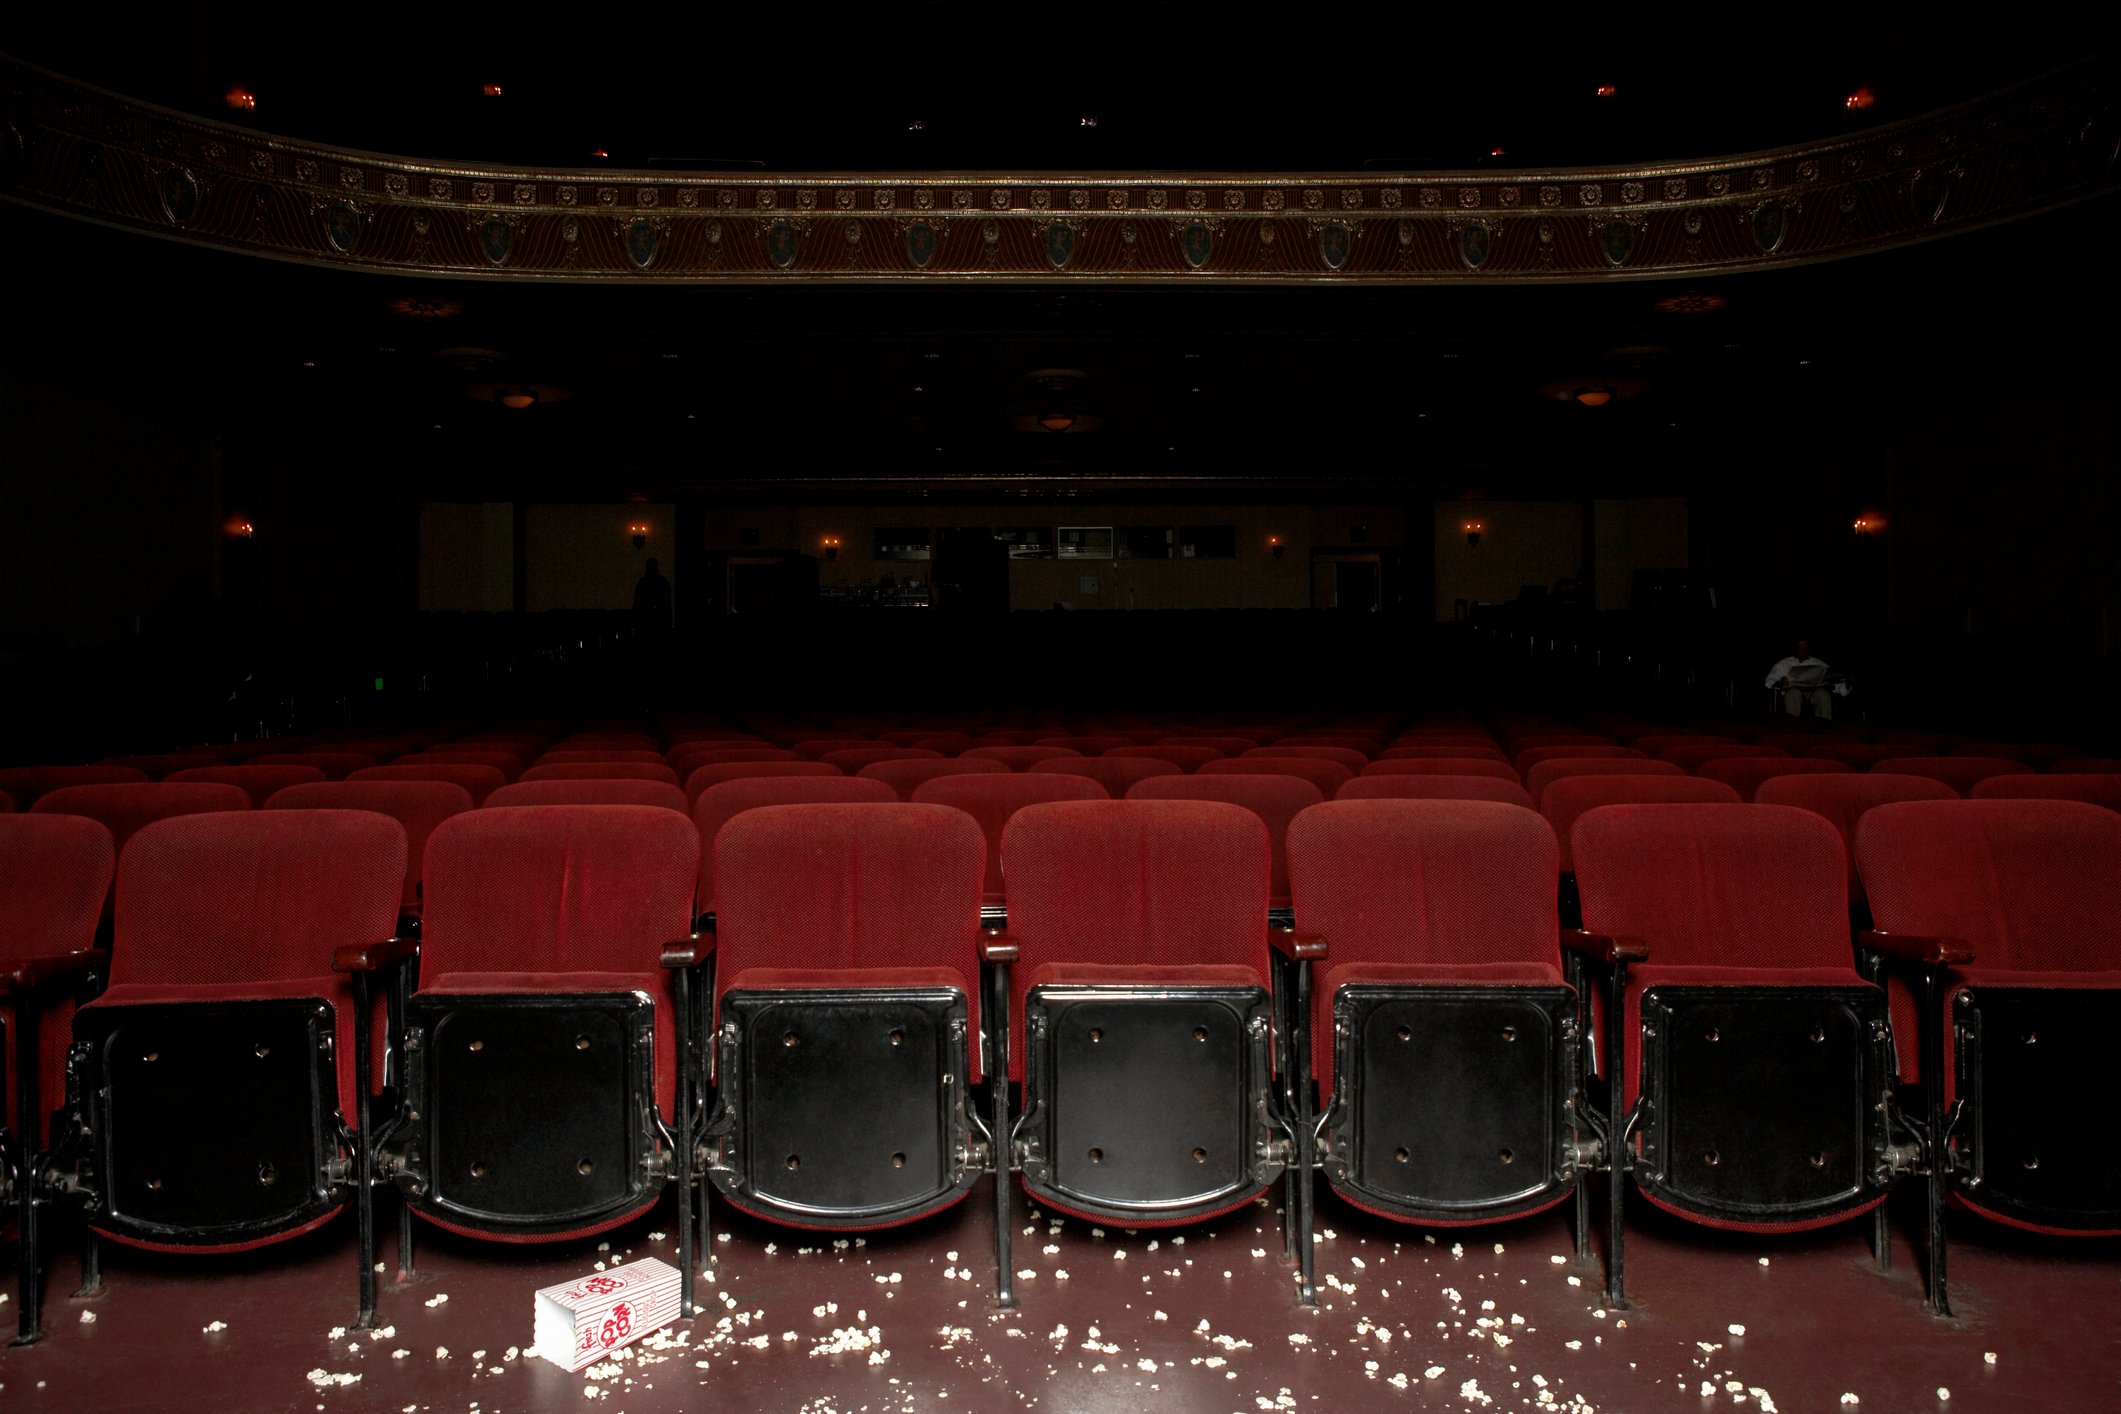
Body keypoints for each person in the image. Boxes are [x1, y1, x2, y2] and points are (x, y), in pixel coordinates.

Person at [1765, 638, 1836, 719]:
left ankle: (1825, 728)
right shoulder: (1783, 664)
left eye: (1805, 647)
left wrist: (1845, 684)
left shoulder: (1819, 664)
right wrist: (1781, 682)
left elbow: (1835, 682)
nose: (1803, 650)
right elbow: (1769, 682)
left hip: (1813, 693)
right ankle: (1792, 727)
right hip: (1793, 692)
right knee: (1793, 693)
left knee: (1823, 694)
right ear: (1795, 648)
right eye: (1800, 647)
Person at [633, 557, 672, 633]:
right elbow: (637, 603)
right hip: (645, 619)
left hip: (659, 618)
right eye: (650, 566)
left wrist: (669, 621)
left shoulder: (663, 582)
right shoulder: (642, 582)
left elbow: (667, 602)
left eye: (654, 566)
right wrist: (634, 622)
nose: (652, 569)